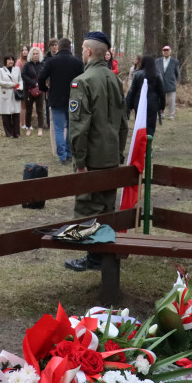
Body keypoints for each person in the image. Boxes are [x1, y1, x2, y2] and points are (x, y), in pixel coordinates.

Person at [64, 31, 128, 272]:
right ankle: (102, 257)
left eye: (82, 49)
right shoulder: (115, 80)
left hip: (92, 159)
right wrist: (118, 154)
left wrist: (80, 162)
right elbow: (123, 124)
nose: (81, 53)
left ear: (89, 51)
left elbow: (79, 128)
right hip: (111, 156)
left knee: (89, 209)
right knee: (107, 209)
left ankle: (93, 258)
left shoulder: (82, 81)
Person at [38, 37, 84, 164]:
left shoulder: (52, 62)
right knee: (70, 127)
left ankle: (62, 156)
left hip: (56, 98)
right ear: (70, 48)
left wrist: (44, 89)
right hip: (73, 99)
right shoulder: (77, 62)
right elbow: (83, 80)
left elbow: (41, 77)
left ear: (58, 47)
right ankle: (69, 153)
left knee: (58, 129)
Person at [125, 55, 165, 136]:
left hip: (139, 103)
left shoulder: (137, 74)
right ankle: (148, 145)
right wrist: (162, 106)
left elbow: (132, 91)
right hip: (152, 104)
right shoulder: (157, 75)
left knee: (140, 125)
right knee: (150, 126)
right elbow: (162, 92)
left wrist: (130, 105)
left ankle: (141, 144)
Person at [21, 47, 46, 136]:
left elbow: (45, 75)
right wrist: (33, 83)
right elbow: (23, 75)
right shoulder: (27, 65)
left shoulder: (43, 64)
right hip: (29, 90)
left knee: (40, 110)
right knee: (29, 110)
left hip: (40, 90)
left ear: (39, 55)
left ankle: (40, 129)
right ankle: (28, 128)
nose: (35, 55)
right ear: (31, 55)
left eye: (37, 54)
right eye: (34, 54)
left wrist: (40, 83)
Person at [0, 55, 22, 137]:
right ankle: (8, 133)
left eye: (12, 60)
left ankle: (16, 133)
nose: (11, 61)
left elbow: (20, 80)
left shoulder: (17, 69)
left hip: (15, 93)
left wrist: (20, 87)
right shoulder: (0, 70)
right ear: (5, 61)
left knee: (16, 114)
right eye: (9, 60)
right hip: (5, 94)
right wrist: (12, 85)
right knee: (6, 114)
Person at [158, 45, 181, 120]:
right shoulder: (158, 61)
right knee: (160, 100)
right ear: (162, 52)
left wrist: (175, 82)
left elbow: (177, 73)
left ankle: (171, 115)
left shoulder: (175, 61)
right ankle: (161, 114)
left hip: (170, 84)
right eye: (164, 50)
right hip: (160, 84)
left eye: (167, 50)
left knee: (171, 101)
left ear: (170, 51)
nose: (166, 52)